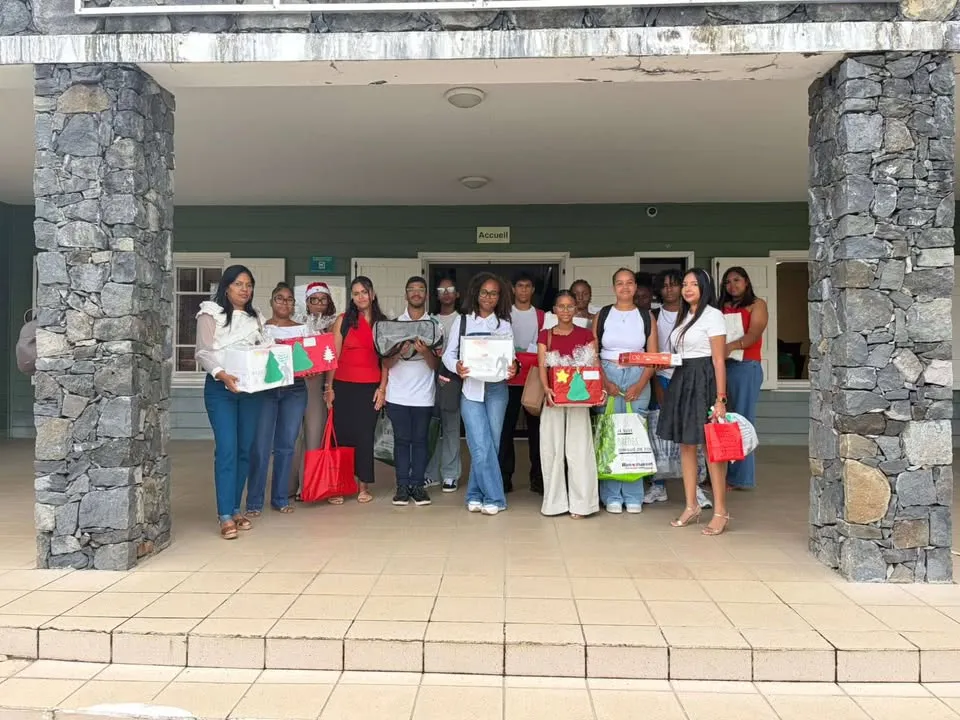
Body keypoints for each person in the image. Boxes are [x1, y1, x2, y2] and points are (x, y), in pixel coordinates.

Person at [657, 268, 731, 536]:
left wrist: (720, 398)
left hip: (704, 381)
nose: (687, 289)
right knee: (686, 445)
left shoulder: (713, 315)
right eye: (685, 284)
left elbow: (718, 360)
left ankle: (721, 512)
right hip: (683, 379)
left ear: (704, 288)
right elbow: (682, 353)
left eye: (694, 284)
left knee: (712, 447)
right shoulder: (684, 315)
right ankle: (691, 505)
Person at [195, 265, 265, 540]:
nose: (245, 289)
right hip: (220, 388)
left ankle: (236, 508)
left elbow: (264, 349)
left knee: (244, 449)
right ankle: (224, 515)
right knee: (227, 449)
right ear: (226, 287)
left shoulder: (256, 318)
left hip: (250, 391)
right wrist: (222, 374)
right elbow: (203, 352)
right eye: (238, 284)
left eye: (249, 284)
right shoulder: (210, 313)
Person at [442, 273, 517, 515]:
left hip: (497, 390)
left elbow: (510, 358)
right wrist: (457, 367)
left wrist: (513, 367)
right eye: (484, 292)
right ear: (476, 294)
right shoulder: (463, 321)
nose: (488, 297)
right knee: (480, 446)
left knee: (490, 445)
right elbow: (448, 354)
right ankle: (495, 498)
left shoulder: (504, 324)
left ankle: (474, 494)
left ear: (499, 297)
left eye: (494, 293)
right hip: (471, 389)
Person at [643, 270, 713, 510]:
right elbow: (651, 353)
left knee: (693, 433)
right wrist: (655, 383)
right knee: (659, 433)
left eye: (675, 284)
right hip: (663, 378)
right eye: (665, 286)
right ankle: (658, 484)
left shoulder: (694, 314)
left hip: (691, 379)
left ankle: (696, 488)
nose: (670, 289)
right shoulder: (653, 315)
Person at [592, 268, 658, 514]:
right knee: (609, 433)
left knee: (634, 434)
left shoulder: (646, 316)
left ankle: (633, 495)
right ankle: (610, 495)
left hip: (637, 374)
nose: (625, 287)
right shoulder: (603, 315)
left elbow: (653, 356)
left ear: (635, 287)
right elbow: (592, 353)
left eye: (629, 283)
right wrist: (604, 381)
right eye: (620, 283)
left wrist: (640, 384)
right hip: (608, 373)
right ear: (614, 288)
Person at [247, 282, 308, 516]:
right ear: (271, 302)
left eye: (289, 299)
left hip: (295, 389)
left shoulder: (304, 329)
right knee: (261, 446)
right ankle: (254, 501)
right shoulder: (260, 328)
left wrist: (310, 368)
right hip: (266, 389)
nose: (285, 303)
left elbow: (310, 360)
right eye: (280, 298)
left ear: (294, 304)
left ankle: (280, 498)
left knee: (286, 445)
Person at [538, 290, 600, 519]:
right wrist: (546, 389)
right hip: (554, 398)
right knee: (552, 450)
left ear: (576, 309)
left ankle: (583, 504)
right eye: (561, 306)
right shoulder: (545, 335)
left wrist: (597, 391)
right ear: (554, 310)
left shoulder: (586, 334)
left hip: (579, 398)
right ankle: (554, 503)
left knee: (580, 449)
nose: (565, 310)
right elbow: (542, 365)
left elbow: (594, 365)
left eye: (570, 306)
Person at [326, 276, 386, 505]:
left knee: (364, 436)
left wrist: (382, 388)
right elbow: (332, 356)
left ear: (372, 294)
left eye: (364, 292)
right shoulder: (343, 320)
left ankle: (363, 486)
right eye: (356, 293)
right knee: (341, 436)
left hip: (370, 387)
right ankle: (340, 485)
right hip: (343, 386)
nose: (360, 297)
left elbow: (387, 360)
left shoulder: (382, 323)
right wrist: (329, 387)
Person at [383, 277, 441, 507]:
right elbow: (386, 363)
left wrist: (425, 352)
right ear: (405, 294)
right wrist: (399, 351)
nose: (416, 293)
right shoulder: (394, 325)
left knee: (420, 441)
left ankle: (417, 486)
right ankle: (401, 486)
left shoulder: (434, 325)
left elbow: (436, 366)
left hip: (423, 395)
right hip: (397, 394)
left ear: (426, 295)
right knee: (401, 441)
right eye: (412, 290)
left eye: (421, 289)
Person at [719, 266, 768, 491]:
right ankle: (721, 474)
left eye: (737, 280)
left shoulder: (757, 304)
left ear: (746, 282)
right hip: (723, 367)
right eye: (728, 282)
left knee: (741, 421)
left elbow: (754, 333)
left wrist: (731, 346)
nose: (732, 285)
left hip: (746, 367)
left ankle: (740, 478)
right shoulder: (721, 307)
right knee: (722, 421)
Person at [499, 272, 545, 494]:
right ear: (513, 288)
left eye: (528, 286)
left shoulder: (542, 316)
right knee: (505, 430)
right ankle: (504, 477)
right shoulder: (504, 314)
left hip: (534, 379)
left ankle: (538, 477)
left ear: (533, 289)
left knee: (537, 432)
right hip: (508, 379)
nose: (524, 290)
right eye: (520, 286)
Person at [291, 282, 337, 501]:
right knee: (292, 437)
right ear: (307, 302)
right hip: (294, 384)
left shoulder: (332, 326)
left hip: (317, 385)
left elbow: (333, 359)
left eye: (323, 299)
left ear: (328, 302)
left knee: (314, 435)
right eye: (314, 299)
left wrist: (328, 386)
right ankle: (288, 486)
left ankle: (309, 486)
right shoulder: (297, 324)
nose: (318, 303)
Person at [426, 276, 462, 493]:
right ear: (436, 295)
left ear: (457, 294)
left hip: (453, 380)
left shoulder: (464, 320)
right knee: (430, 427)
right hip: (428, 378)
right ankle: (430, 474)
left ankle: (450, 474)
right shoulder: (429, 320)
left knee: (451, 426)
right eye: (442, 290)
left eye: (450, 289)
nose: (446, 293)